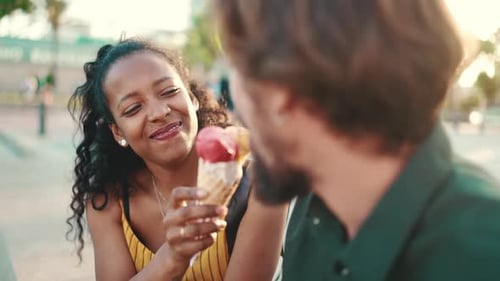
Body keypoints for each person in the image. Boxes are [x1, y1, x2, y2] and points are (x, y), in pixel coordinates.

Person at [212, 0, 500, 280]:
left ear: (280, 92)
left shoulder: (481, 253)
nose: (234, 102)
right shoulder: (314, 204)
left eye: (236, 67)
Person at [66, 39, 287, 280]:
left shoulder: (261, 181)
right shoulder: (108, 202)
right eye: (133, 109)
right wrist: (171, 259)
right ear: (118, 132)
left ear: (192, 99)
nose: (160, 112)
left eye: (169, 92)